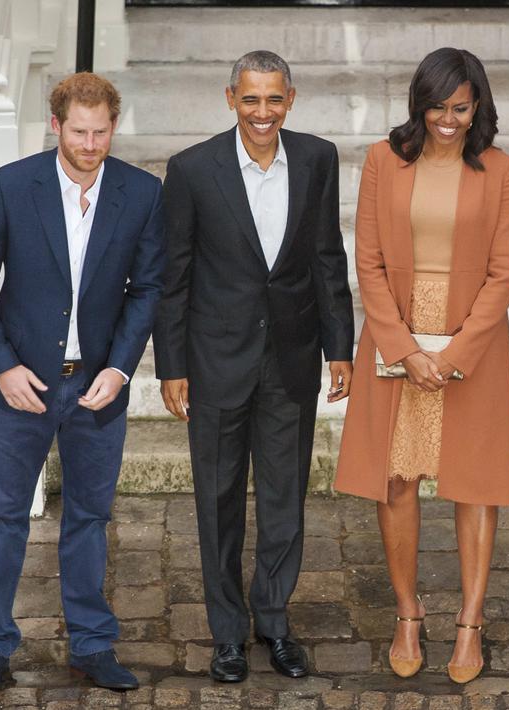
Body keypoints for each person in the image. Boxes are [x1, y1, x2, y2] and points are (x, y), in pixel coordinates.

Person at [0, 72, 165, 692]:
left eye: (101, 132)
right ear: (56, 126)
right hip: (21, 384)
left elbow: (148, 288)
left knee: (90, 517)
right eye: (79, 132)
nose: (90, 144)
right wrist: (2, 365)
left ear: (113, 127)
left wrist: (120, 368)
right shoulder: (11, 186)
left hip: (97, 386)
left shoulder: (142, 192)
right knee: (5, 518)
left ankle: (92, 644)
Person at [151, 50, 355, 683]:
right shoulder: (192, 169)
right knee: (217, 502)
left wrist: (339, 346)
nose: (262, 112)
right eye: (250, 99)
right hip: (215, 361)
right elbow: (174, 275)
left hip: (291, 358)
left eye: (273, 99)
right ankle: (227, 634)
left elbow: (327, 257)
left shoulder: (318, 159)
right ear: (230, 98)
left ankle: (273, 619)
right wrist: (171, 364)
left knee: (284, 497)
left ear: (290, 99)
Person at [334, 47, 509, 685]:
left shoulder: (500, 170)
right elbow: (368, 262)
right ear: (419, 104)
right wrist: (404, 349)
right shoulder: (382, 161)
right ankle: (408, 613)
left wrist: (456, 352)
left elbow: (504, 273)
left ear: (477, 107)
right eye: (437, 106)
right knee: (396, 478)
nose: (447, 119)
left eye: (460, 108)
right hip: (398, 335)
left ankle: (470, 622)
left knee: (475, 483)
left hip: (472, 341)